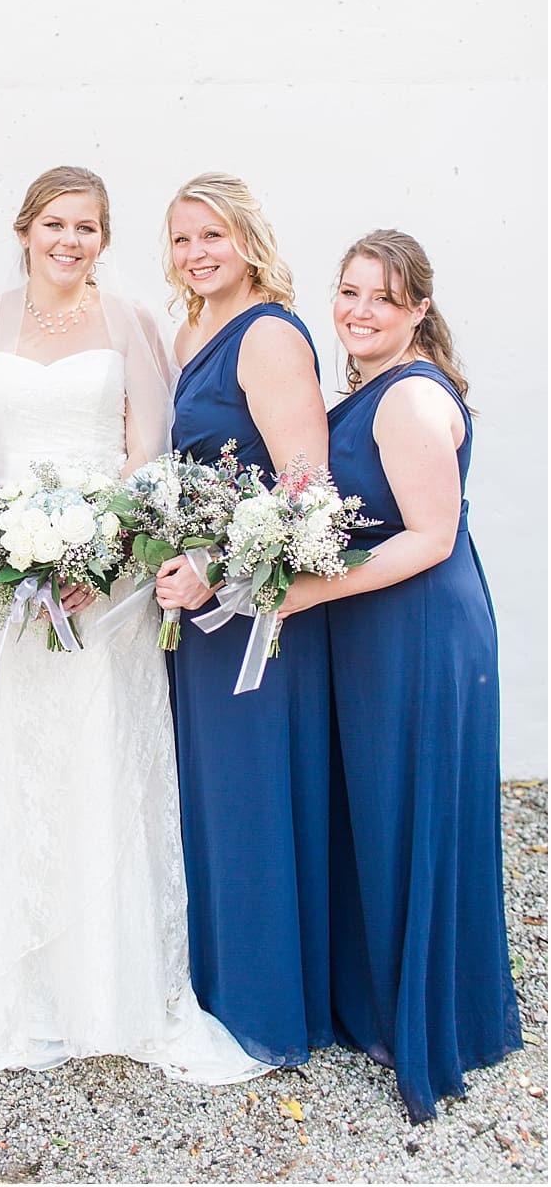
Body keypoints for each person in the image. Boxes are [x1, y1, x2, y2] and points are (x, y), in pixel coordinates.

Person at [0, 165, 261, 1085]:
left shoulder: (133, 320)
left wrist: (99, 558)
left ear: (105, 237)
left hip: (104, 593)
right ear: (23, 230)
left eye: (88, 227)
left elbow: (148, 455)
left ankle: (105, 988)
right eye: (54, 224)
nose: (69, 240)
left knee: (98, 762)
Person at [272, 231, 521, 1120]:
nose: (357, 311)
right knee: (380, 811)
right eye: (347, 292)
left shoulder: (409, 399)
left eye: (380, 296)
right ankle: (386, 1003)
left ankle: (427, 1022)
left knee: (410, 812)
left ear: (417, 308)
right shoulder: (370, 388)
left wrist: (304, 589)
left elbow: (428, 537)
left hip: (417, 628)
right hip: (379, 625)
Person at [151, 173, 334, 1067]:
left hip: (248, 606)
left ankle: (266, 1003)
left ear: (249, 240)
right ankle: (216, 982)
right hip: (192, 602)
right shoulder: (190, 329)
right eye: (182, 239)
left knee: (249, 793)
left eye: (211, 236)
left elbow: (305, 492)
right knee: (206, 794)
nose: (196, 254)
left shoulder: (265, 334)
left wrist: (220, 570)